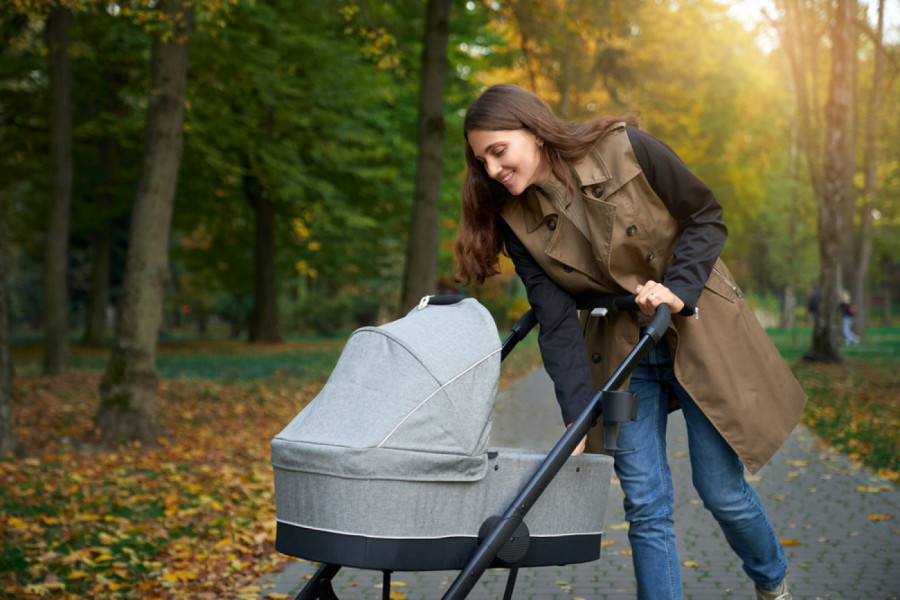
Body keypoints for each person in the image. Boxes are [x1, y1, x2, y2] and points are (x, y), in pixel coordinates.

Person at [454, 84, 806, 600]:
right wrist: (578, 413)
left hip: (696, 329)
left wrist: (676, 290)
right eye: (482, 160)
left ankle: (772, 583)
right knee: (645, 503)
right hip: (624, 352)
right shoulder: (516, 223)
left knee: (721, 490)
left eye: (498, 151)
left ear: (533, 130)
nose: (491, 169)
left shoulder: (629, 149)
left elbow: (705, 216)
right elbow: (556, 321)